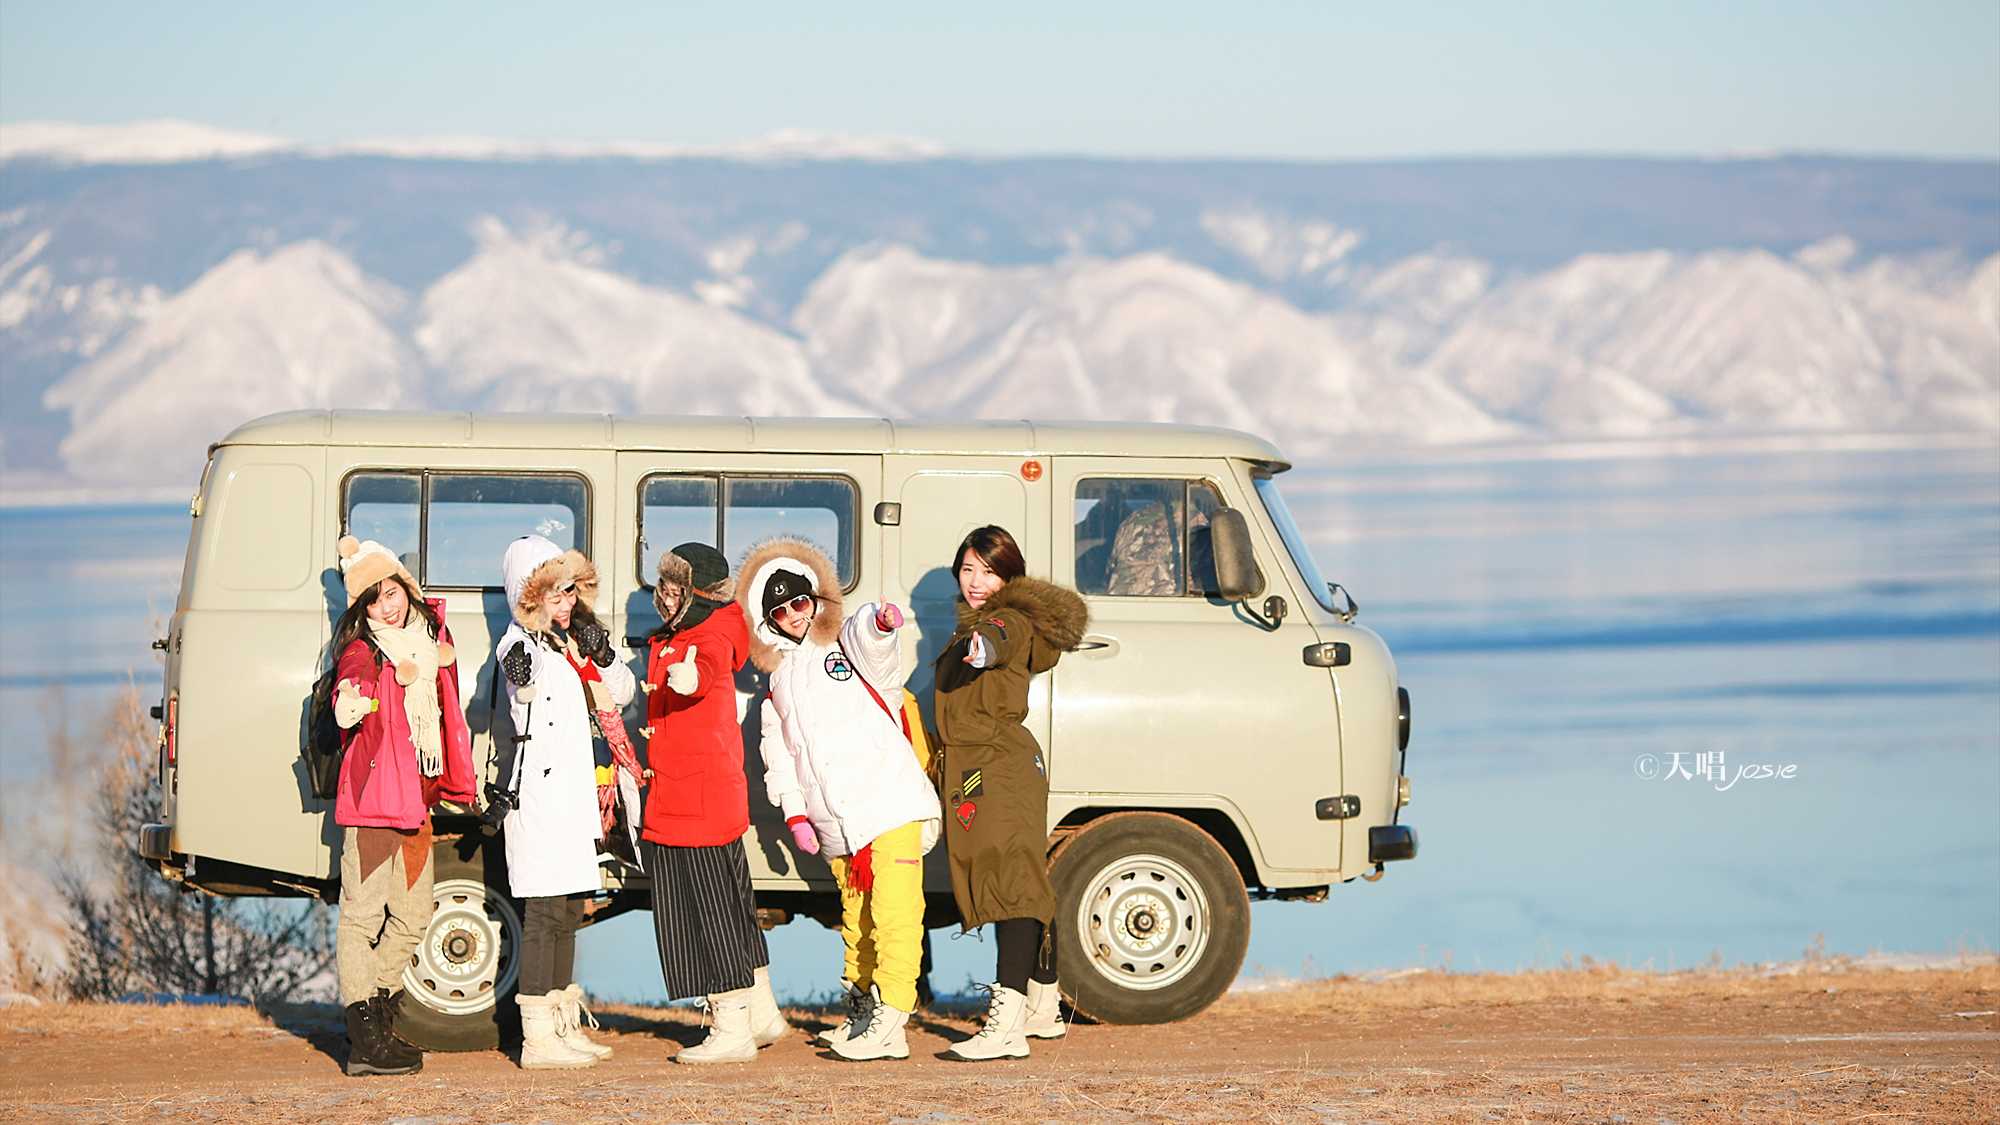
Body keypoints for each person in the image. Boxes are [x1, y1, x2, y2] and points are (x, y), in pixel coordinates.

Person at [740, 538, 941, 1062]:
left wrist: (880, 621)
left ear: (816, 601)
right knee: (857, 918)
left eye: (800, 603)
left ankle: (893, 1013)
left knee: (896, 913)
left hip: (888, 802)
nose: (792, 616)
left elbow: (871, 642)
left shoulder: (843, 649)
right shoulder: (777, 682)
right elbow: (778, 755)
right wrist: (795, 814)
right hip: (839, 824)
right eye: (779, 610)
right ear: (769, 621)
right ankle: (864, 1009)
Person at [931, 525, 1088, 1061]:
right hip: (995, 765)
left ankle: (1006, 1025)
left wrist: (981, 647)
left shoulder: (1007, 620)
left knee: (1012, 886)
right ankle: (1042, 1007)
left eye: (990, 571)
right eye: (969, 568)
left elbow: (998, 641)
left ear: (1010, 577)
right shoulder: (977, 621)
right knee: (1022, 879)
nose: (977, 581)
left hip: (998, 765)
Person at [328, 536, 476, 1078]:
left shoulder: (428, 641)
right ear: (362, 610)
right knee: (362, 916)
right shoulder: (365, 651)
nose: (386, 606)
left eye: (391, 592)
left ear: (406, 589)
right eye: (373, 600)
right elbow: (354, 685)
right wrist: (350, 700)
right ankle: (365, 1037)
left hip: (415, 803)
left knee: (413, 917)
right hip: (373, 803)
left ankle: (380, 1012)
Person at [638, 542, 790, 1064]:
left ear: (699, 593)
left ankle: (731, 1027)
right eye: (663, 584)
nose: (665, 595)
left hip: (694, 797)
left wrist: (688, 677)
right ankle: (762, 1011)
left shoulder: (709, 632)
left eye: (675, 587)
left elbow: (706, 666)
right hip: (698, 790)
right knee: (732, 904)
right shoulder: (687, 630)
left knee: (707, 911)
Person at [494, 535, 633, 1069]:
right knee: (544, 913)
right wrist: (524, 676)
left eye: (571, 591)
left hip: (578, 797)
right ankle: (537, 1039)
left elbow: (621, 693)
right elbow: (520, 683)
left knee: (571, 909)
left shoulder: (569, 643)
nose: (567, 602)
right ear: (530, 597)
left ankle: (561, 1022)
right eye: (554, 593)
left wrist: (602, 653)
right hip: (542, 797)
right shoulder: (520, 644)